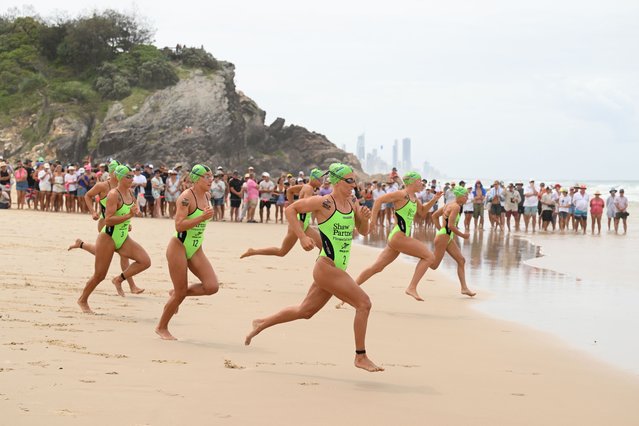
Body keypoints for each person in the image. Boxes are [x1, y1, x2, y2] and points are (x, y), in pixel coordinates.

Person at [245, 163, 383, 372]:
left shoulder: (353, 202)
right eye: (349, 180)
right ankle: (360, 356)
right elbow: (291, 209)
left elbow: (363, 232)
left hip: (337, 267)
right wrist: (302, 237)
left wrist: (364, 219)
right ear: (336, 181)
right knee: (364, 304)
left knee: (305, 311)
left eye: (354, 180)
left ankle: (261, 323)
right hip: (326, 266)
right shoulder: (324, 203)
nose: (354, 185)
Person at [342, 172, 442, 302]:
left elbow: (422, 212)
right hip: (398, 236)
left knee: (376, 267)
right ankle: (412, 287)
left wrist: (434, 200)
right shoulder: (402, 194)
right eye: (419, 181)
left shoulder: (414, 197)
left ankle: (348, 293)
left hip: (398, 238)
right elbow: (379, 200)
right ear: (411, 182)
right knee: (429, 257)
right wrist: (372, 222)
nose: (421, 183)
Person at [77, 165, 151, 313]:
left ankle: (119, 279)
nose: (132, 179)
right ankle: (82, 300)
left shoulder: (130, 192)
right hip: (109, 236)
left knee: (145, 261)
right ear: (119, 178)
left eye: (132, 176)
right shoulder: (113, 194)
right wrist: (128, 216)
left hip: (123, 236)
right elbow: (109, 220)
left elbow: (132, 209)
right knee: (99, 275)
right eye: (128, 176)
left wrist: (134, 216)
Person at [156, 165, 218, 340]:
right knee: (181, 292)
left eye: (211, 176)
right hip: (179, 246)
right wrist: (202, 217)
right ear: (196, 178)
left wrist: (202, 218)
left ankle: (175, 293)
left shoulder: (207, 195)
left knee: (212, 286)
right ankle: (161, 327)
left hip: (196, 246)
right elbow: (179, 225)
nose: (211, 180)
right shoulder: (185, 198)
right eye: (207, 176)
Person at [240, 169, 324, 259]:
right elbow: (306, 206)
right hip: (299, 223)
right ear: (314, 179)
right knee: (282, 251)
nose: (322, 182)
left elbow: (289, 191)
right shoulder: (309, 189)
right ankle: (253, 251)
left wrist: (293, 205)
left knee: (323, 248)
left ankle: (322, 268)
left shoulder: (305, 186)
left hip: (304, 223)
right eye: (320, 180)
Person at [430, 186, 476, 297]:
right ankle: (420, 254)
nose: (467, 198)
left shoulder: (449, 205)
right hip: (443, 238)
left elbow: (434, 216)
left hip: (446, 237)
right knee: (433, 265)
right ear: (459, 196)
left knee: (461, 260)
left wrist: (441, 229)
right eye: (465, 196)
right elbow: (450, 225)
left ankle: (464, 288)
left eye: (467, 196)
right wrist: (463, 235)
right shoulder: (455, 207)